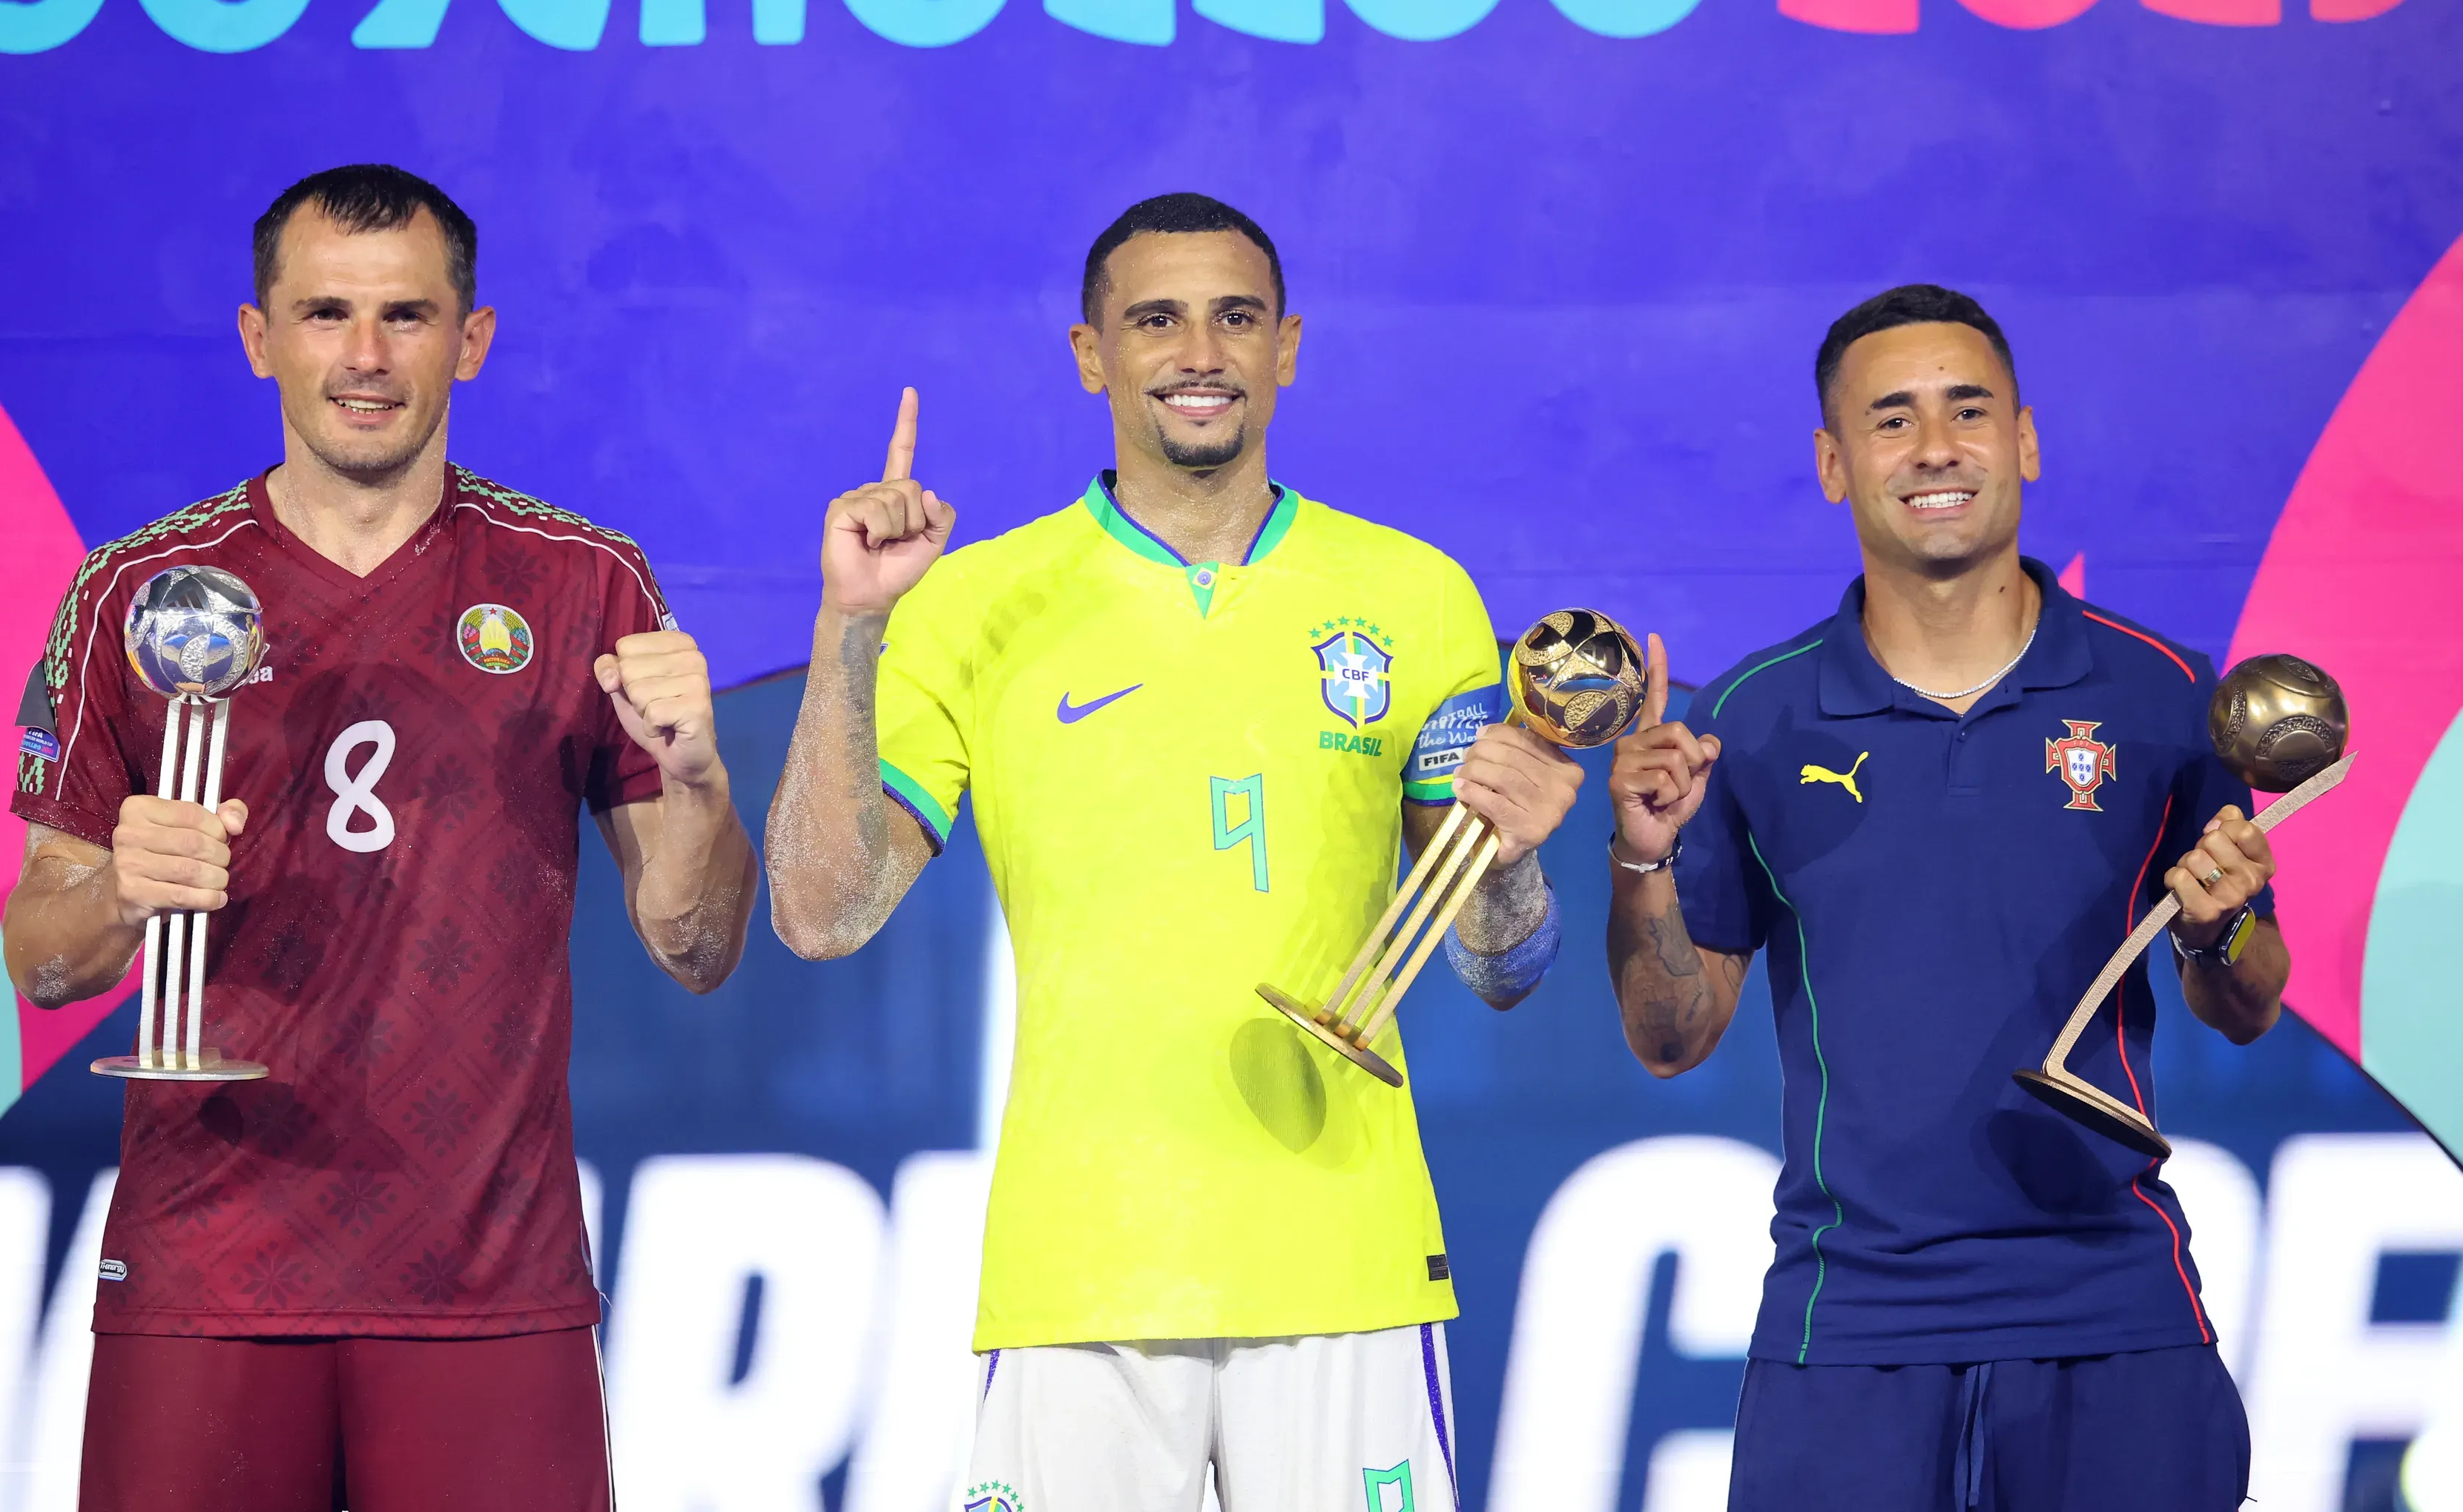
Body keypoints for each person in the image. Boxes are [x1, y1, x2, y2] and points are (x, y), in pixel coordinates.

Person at [765, 192, 1583, 1511]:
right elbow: (821, 911)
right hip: (1082, 1266)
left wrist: (1518, 855)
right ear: (1091, 353)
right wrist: (851, 628)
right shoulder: (977, 600)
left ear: (1288, 346)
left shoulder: (1418, 595)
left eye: (1234, 317)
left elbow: (1499, 963)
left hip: (1348, 1264)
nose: (1199, 350)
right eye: (1156, 319)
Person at [1, 163, 756, 1511]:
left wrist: (698, 779)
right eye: (325, 314)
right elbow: (45, 958)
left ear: (471, 338)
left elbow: (694, 948)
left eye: (406, 317)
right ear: (259, 336)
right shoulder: (135, 593)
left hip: (490, 1278)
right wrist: (122, 886)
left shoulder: (584, 582)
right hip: (207, 1268)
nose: (364, 357)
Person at [1604, 283, 2281, 1511]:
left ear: (2023, 439)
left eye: (1967, 411)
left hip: (2114, 1305)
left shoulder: (2169, 695)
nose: (1933, 450)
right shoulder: (1753, 717)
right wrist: (1641, 857)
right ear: (1832, 462)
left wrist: (2221, 923)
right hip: (1848, 1321)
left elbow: (2241, 1004)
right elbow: (1669, 1037)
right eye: (1891, 419)